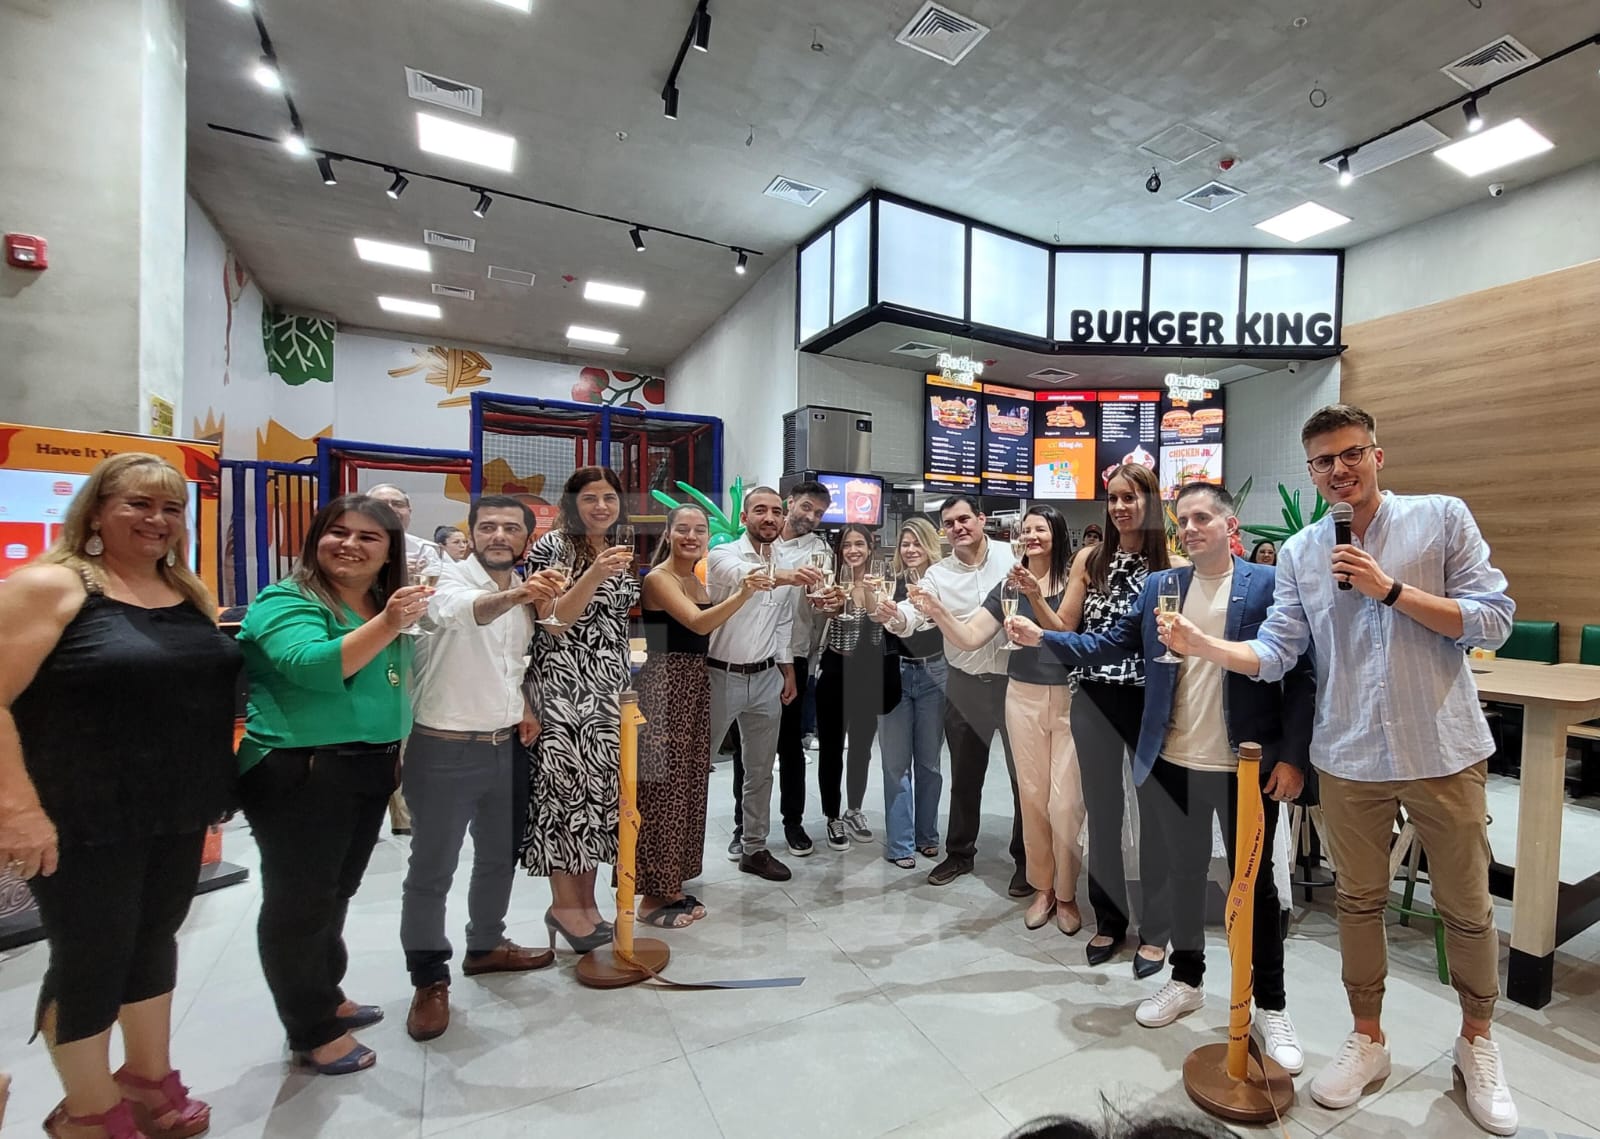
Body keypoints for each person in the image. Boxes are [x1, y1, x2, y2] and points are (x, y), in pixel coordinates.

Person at [1159, 404, 1518, 1135]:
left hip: (1440, 748)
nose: (1338, 471)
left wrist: (1392, 589)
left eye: (1351, 453)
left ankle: (1477, 1042)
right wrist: (1206, 645)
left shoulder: (1439, 519)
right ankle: (1369, 1039)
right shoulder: (1298, 552)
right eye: (1323, 461)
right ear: (1312, 470)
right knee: (1357, 900)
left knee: (1468, 904)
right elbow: (1278, 652)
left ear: (1377, 455)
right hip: (1351, 754)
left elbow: (1495, 617)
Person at [1013, 482, 1313, 1073]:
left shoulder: (1268, 584)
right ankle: (1187, 979)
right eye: (1185, 519)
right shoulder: (1162, 586)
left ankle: (1271, 1006)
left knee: (1255, 889)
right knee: (1181, 875)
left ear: (1231, 526)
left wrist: (1294, 757)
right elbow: (1106, 643)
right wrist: (1045, 635)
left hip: (1245, 765)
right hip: (1174, 759)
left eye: (1205, 517)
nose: (1193, 526)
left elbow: (1300, 677)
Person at [0, 454, 239, 1139]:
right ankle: (88, 1108)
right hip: (82, 812)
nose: (157, 520)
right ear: (96, 511)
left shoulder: (183, 589)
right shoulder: (52, 586)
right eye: (138, 504)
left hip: (175, 806)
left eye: (169, 509)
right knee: (92, 954)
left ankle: (146, 1075)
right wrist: (17, 811)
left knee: (152, 941)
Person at [236, 493, 430, 1075]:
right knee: (299, 903)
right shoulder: (287, 599)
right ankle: (311, 1027)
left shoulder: (377, 601)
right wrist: (389, 622)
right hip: (303, 768)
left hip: (365, 766)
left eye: (368, 537)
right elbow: (312, 665)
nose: (350, 545)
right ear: (316, 539)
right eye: (337, 532)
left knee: (335, 892)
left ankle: (326, 992)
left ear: (389, 551)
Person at [399, 496, 566, 1042]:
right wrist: (521, 593)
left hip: (503, 748)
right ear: (470, 534)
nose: (499, 535)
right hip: (443, 748)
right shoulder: (443, 581)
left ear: (525, 538)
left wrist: (522, 704)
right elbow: (462, 613)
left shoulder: (522, 593)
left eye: (511, 528)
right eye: (488, 526)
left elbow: (511, 663)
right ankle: (429, 980)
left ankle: (486, 944)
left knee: (498, 856)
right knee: (432, 871)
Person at [916, 505, 1083, 930]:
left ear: (1056, 533)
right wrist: (937, 611)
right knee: (1030, 796)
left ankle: (1067, 893)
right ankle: (1042, 888)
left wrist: (1034, 596)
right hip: (1020, 694)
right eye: (1025, 530)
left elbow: (1065, 630)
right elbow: (971, 637)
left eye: (1039, 530)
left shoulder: (1076, 578)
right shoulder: (1009, 583)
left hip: (1067, 698)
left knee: (1063, 803)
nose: (1031, 537)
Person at [1061, 463, 1177, 977]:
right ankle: (1108, 920)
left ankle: (1157, 930)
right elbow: (1067, 626)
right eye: (1112, 499)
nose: (1120, 508)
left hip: (1148, 701)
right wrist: (1035, 611)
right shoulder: (1091, 558)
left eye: (1130, 498)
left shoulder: (1171, 566)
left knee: (1156, 818)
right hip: (1092, 699)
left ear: (1150, 503)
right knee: (1102, 815)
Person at [519, 467, 638, 952]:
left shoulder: (612, 551)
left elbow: (618, 626)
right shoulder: (553, 550)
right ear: (572, 504)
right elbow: (551, 622)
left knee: (597, 803)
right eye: (590, 499)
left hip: (608, 689)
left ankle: (584, 907)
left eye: (609, 498)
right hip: (565, 687)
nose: (601, 507)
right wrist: (594, 574)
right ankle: (564, 907)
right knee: (565, 798)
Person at [884, 495, 1026, 892]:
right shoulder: (938, 575)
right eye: (949, 523)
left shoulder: (1011, 556)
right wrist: (895, 616)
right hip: (964, 684)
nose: (958, 527)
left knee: (1022, 779)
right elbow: (915, 614)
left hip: (1015, 683)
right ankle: (960, 853)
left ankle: (1026, 859)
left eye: (964, 518)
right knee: (965, 776)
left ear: (981, 519)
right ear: (944, 531)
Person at [635, 504, 761, 927]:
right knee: (661, 793)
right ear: (668, 534)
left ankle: (672, 884)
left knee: (688, 786)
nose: (692, 536)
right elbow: (698, 623)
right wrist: (745, 593)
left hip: (694, 686)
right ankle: (651, 897)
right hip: (663, 688)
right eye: (683, 529)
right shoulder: (659, 578)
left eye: (700, 530)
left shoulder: (694, 576)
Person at [706, 486, 822, 883]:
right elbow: (749, 578)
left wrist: (787, 669)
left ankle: (755, 848)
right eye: (760, 510)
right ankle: (672, 854)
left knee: (760, 770)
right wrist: (788, 576)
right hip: (719, 675)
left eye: (775, 511)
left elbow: (784, 622)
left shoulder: (786, 557)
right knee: (693, 767)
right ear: (744, 517)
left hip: (767, 676)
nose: (769, 517)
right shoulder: (724, 554)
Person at [736, 479, 831, 859]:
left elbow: (819, 605)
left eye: (819, 513)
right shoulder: (754, 547)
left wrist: (827, 604)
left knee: (791, 747)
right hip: (752, 654)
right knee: (750, 750)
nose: (811, 517)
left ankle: (793, 821)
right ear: (790, 502)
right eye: (806, 507)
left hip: (796, 655)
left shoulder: (821, 551)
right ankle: (744, 829)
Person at [812, 524, 900, 851]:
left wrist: (870, 591)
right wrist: (829, 602)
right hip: (835, 667)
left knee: (862, 746)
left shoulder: (881, 581)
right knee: (832, 748)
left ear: (870, 547)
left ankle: (854, 809)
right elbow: (821, 613)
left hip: (869, 670)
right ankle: (832, 815)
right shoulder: (830, 581)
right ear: (839, 550)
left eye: (859, 544)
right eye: (847, 544)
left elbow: (880, 617)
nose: (853, 550)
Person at [875, 518, 947, 867]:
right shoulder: (889, 583)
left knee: (930, 763)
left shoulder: (943, 580)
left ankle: (928, 835)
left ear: (931, 545)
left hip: (936, 674)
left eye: (917, 543)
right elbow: (882, 619)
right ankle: (901, 843)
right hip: (894, 675)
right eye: (905, 544)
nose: (910, 549)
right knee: (895, 765)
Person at [368, 486, 439, 836]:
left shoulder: (425, 550)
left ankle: (404, 813)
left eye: (398, 504)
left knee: (407, 729)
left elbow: (439, 606)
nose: (392, 509)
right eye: (383, 504)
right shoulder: (355, 547)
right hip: (362, 648)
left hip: (410, 648)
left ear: (410, 511)